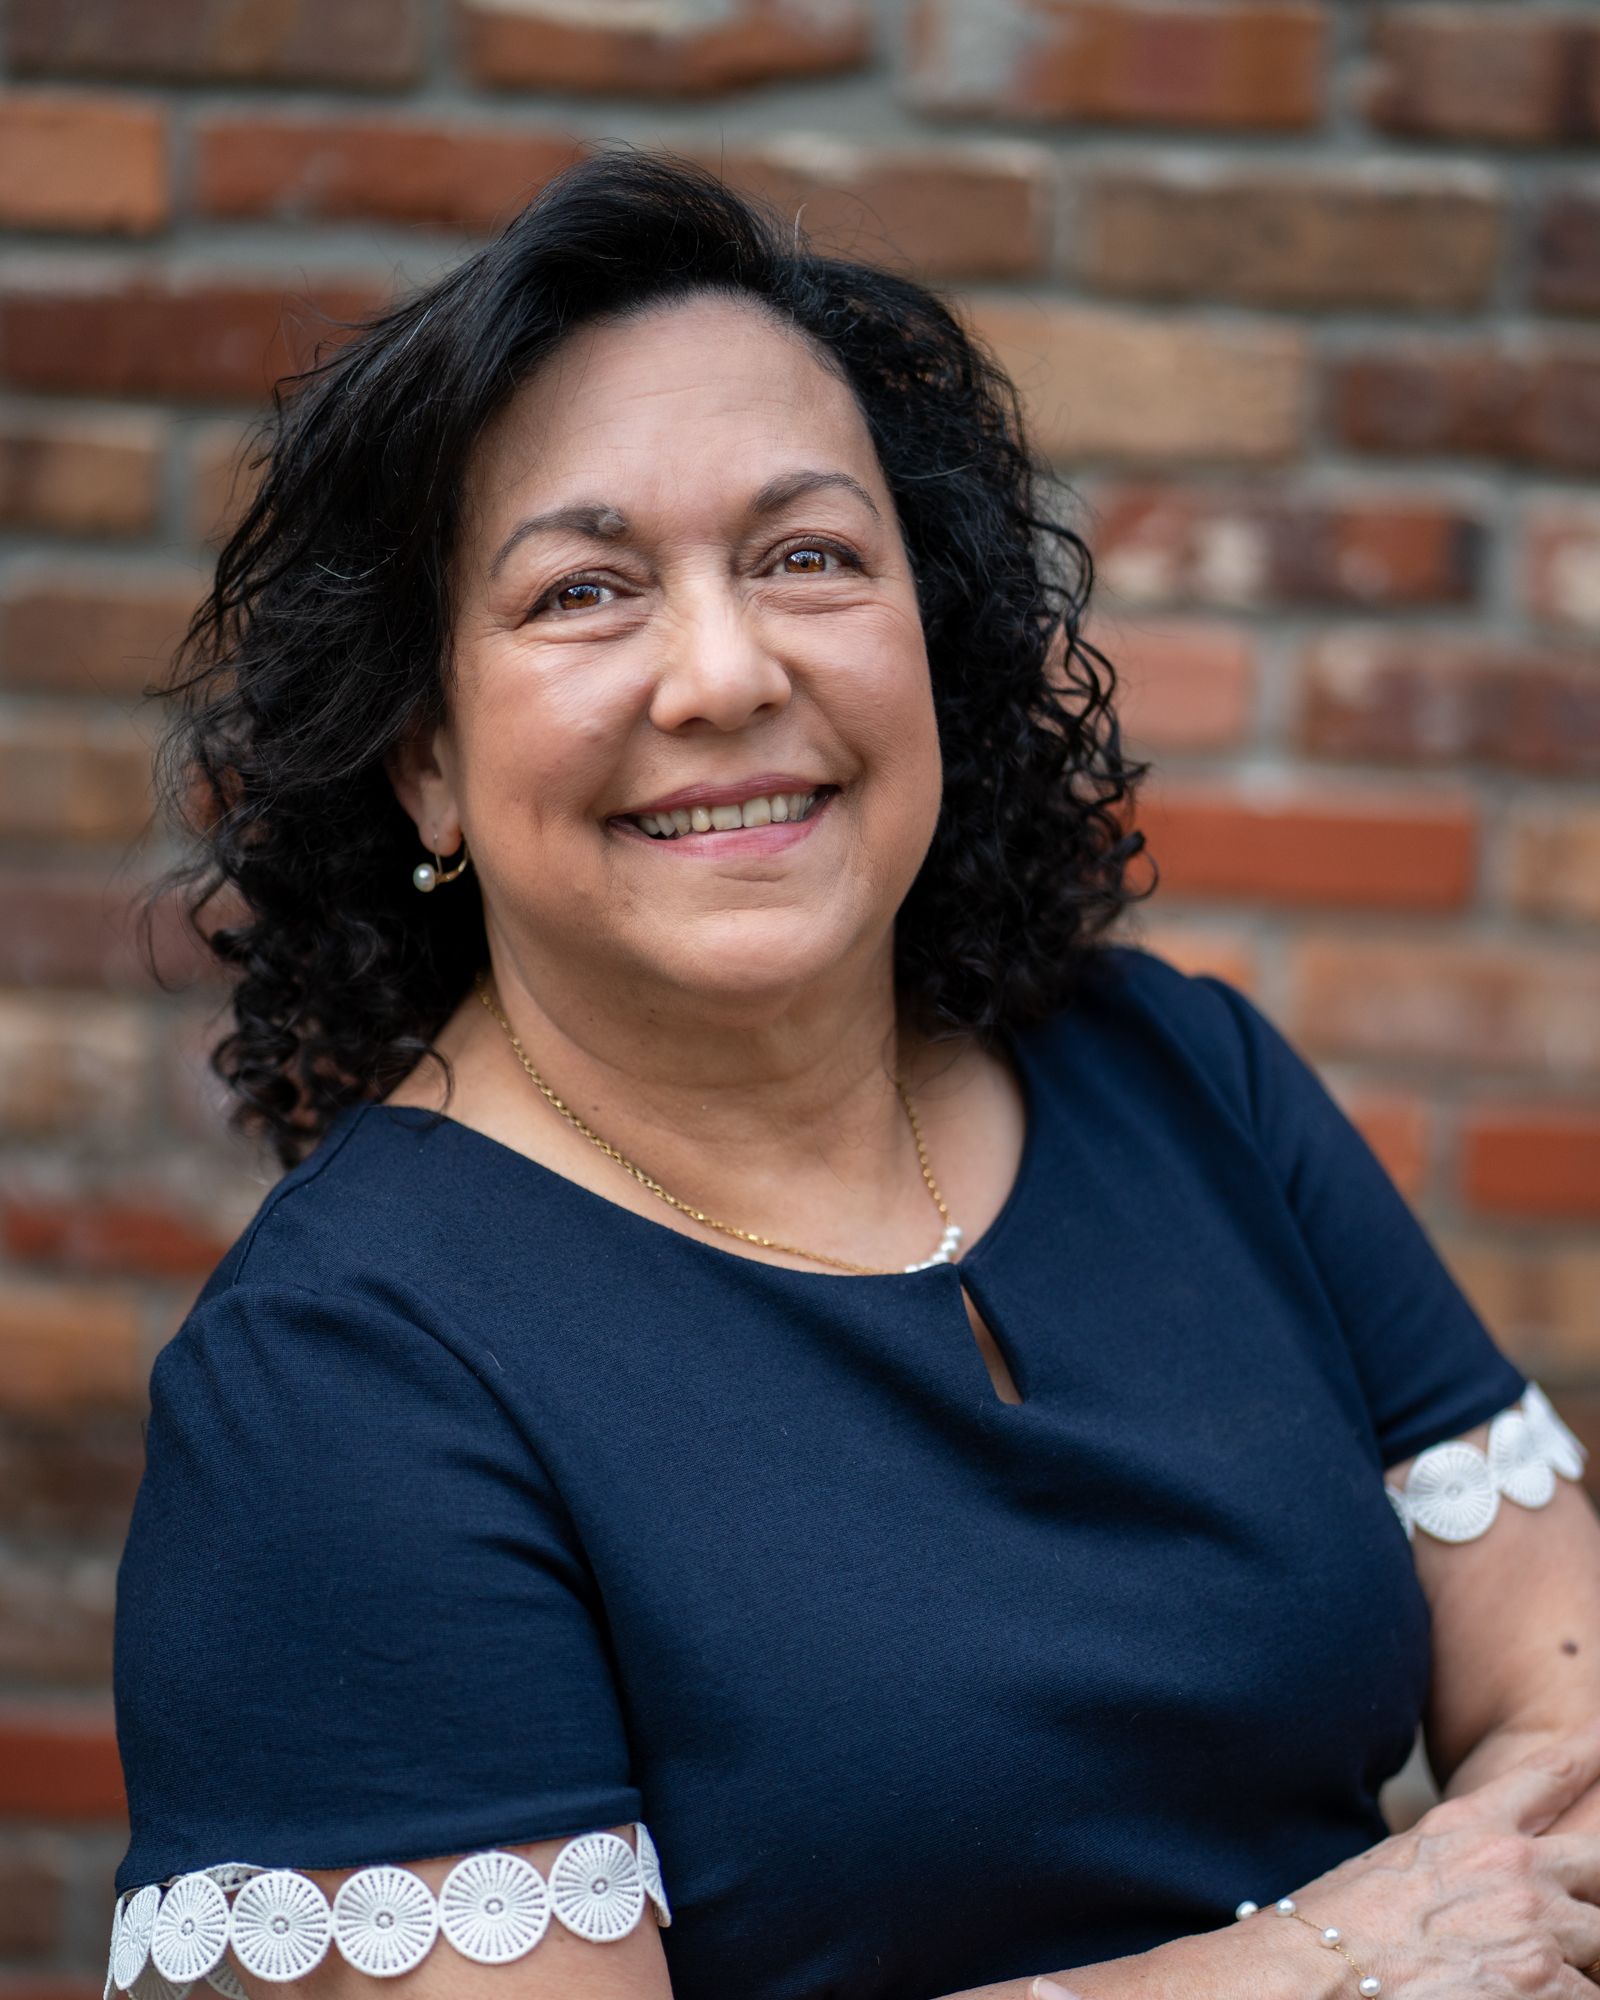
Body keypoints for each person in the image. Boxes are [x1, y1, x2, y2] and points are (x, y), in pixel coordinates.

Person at [109, 148, 1600, 2000]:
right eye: (584, 591)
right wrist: (1315, 1969)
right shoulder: (341, 1380)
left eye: (809, 557)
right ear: (423, 759)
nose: (724, 673)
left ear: (933, 640)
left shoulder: (1178, 1079)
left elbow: (1572, 1704)